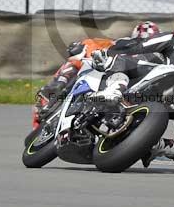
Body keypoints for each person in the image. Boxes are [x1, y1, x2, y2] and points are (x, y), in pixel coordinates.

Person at [92, 15, 174, 171]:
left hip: (172, 76)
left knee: (121, 61)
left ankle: (114, 91)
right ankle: (163, 145)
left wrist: (110, 50)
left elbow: (140, 45)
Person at [31, 21, 161, 128]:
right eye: (142, 41)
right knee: (78, 61)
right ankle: (53, 90)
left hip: (128, 92)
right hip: (101, 75)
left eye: (150, 41)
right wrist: (81, 47)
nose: (145, 44)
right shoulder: (120, 43)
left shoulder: (158, 59)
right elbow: (89, 45)